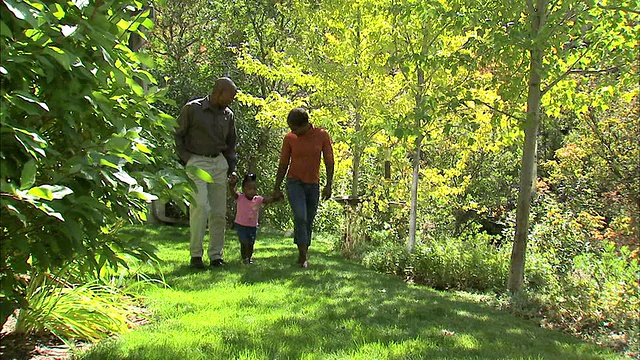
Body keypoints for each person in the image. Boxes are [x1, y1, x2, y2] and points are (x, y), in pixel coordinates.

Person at [174, 77, 238, 269]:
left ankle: (216, 256)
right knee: (200, 206)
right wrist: (187, 159)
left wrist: (232, 169)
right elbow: (177, 134)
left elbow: (231, 144)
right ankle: (195, 256)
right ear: (219, 92)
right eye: (230, 96)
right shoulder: (192, 109)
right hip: (197, 160)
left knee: (219, 212)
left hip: (219, 162)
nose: (232, 100)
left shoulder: (228, 115)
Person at [273, 107, 334, 268]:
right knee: (300, 215)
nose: (293, 131)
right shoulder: (289, 138)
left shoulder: (321, 135)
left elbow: (329, 161)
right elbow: (283, 163)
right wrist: (277, 187)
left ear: (305, 124)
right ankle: (303, 255)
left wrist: (329, 184)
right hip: (294, 182)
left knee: (308, 219)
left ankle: (303, 249)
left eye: (295, 128)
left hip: (313, 184)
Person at [229, 173, 283, 264]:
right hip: (241, 225)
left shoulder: (258, 199)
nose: (252, 191)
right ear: (243, 189)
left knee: (250, 243)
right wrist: (232, 185)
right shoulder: (240, 197)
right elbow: (233, 193)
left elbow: (267, 200)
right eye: (249, 189)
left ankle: (249, 258)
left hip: (252, 226)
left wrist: (276, 198)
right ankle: (244, 259)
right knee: (244, 242)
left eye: (254, 189)